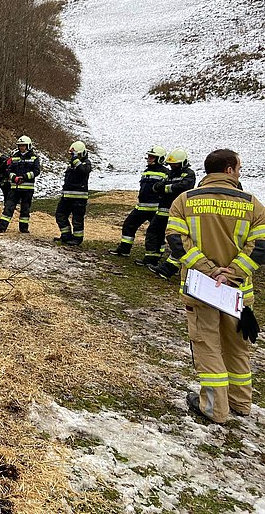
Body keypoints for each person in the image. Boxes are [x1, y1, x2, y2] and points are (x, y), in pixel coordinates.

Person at [165, 149, 265, 423]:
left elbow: (175, 241)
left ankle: (214, 408)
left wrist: (209, 271)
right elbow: (261, 247)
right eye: (239, 167)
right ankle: (241, 403)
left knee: (207, 346)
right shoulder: (253, 205)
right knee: (237, 347)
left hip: (201, 291)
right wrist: (232, 273)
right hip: (238, 295)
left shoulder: (184, 201)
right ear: (230, 169)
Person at [140, 148, 196, 269]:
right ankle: (151, 258)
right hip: (163, 209)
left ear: (182, 163)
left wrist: (165, 188)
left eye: (175, 164)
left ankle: (177, 264)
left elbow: (182, 187)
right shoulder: (169, 174)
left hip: (178, 213)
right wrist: (164, 187)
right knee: (153, 233)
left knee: (175, 238)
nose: (172, 167)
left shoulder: (188, 174)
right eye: (171, 164)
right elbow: (156, 187)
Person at [109, 146, 169, 256]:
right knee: (128, 225)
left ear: (160, 159)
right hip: (141, 207)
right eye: (149, 156)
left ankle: (157, 254)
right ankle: (124, 249)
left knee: (157, 232)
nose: (149, 159)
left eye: (152, 157)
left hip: (156, 209)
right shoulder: (146, 171)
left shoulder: (166, 173)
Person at [0, 135, 40, 233]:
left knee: (25, 209)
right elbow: (9, 170)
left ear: (28, 146)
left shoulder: (34, 158)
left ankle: (23, 228)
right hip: (15, 188)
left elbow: (36, 171)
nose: (21, 147)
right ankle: (1, 228)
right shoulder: (15, 157)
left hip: (27, 188)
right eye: (20, 145)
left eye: (23, 145)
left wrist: (24, 177)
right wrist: (14, 177)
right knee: (9, 207)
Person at [54, 141, 92, 245]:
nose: (73, 157)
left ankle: (77, 239)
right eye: (72, 155)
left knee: (77, 219)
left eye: (76, 154)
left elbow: (84, 171)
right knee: (60, 215)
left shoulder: (86, 163)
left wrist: (75, 160)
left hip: (79, 198)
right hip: (66, 197)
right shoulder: (72, 164)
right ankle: (66, 236)